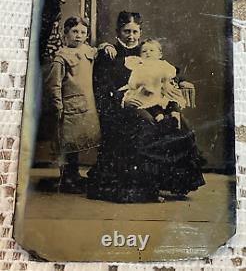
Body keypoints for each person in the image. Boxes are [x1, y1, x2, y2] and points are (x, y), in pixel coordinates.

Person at [87, 11, 205, 203]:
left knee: (181, 125)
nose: (131, 36)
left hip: (150, 104)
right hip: (121, 108)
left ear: (140, 32)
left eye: (134, 31)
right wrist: (122, 101)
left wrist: (181, 82)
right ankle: (144, 188)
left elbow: (163, 70)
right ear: (118, 31)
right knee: (145, 130)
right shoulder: (110, 53)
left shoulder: (145, 51)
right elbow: (102, 86)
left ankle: (171, 183)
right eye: (126, 31)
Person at [46, 16, 101, 193]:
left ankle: (74, 175)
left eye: (82, 32)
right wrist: (58, 106)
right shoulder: (61, 57)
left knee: (78, 141)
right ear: (66, 33)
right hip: (69, 106)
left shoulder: (88, 51)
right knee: (68, 143)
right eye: (74, 32)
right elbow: (54, 84)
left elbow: (98, 50)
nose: (78, 36)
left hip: (86, 103)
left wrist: (106, 45)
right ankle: (67, 178)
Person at [119, 38, 186, 125]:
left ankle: (174, 115)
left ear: (160, 54)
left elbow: (172, 72)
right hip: (147, 93)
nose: (148, 53)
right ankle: (160, 119)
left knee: (172, 101)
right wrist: (141, 85)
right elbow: (133, 82)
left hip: (162, 93)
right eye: (144, 51)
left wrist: (166, 80)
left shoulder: (163, 64)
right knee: (150, 105)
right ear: (140, 55)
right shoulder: (139, 67)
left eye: (151, 50)